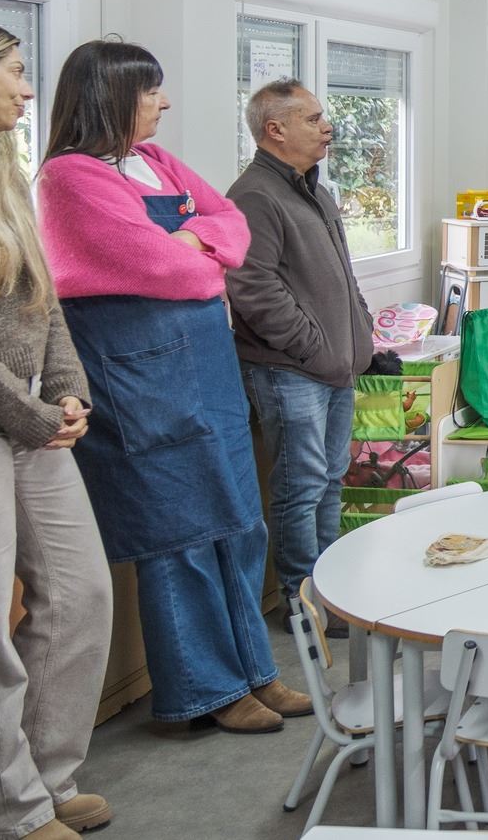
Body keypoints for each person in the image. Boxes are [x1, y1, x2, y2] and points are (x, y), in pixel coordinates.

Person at [35, 40, 307, 735]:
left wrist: (194, 244)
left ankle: (255, 670)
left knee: (239, 520)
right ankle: (205, 689)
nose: (164, 103)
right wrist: (195, 248)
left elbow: (232, 227)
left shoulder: (154, 162)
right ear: (111, 97)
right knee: (179, 532)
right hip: (139, 378)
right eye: (151, 92)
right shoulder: (68, 177)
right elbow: (165, 267)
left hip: (205, 367)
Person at [0, 16, 113, 840]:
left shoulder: (5, 167)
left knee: (81, 593)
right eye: (12, 69)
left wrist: (67, 387)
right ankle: (7, 814)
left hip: (31, 415)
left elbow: (42, 294)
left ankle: (45, 777)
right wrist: (29, 411)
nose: (29, 87)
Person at [226, 80, 374, 600]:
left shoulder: (314, 189)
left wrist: (361, 329)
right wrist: (311, 345)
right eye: (312, 119)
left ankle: (330, 596)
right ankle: (300, 602)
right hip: (290, 369)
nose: (327, 127)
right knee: (301, 486)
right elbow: (251, 286)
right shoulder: (254, 195)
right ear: (275, 129)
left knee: (330, 480)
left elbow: (343, 275)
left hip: (334, 367)